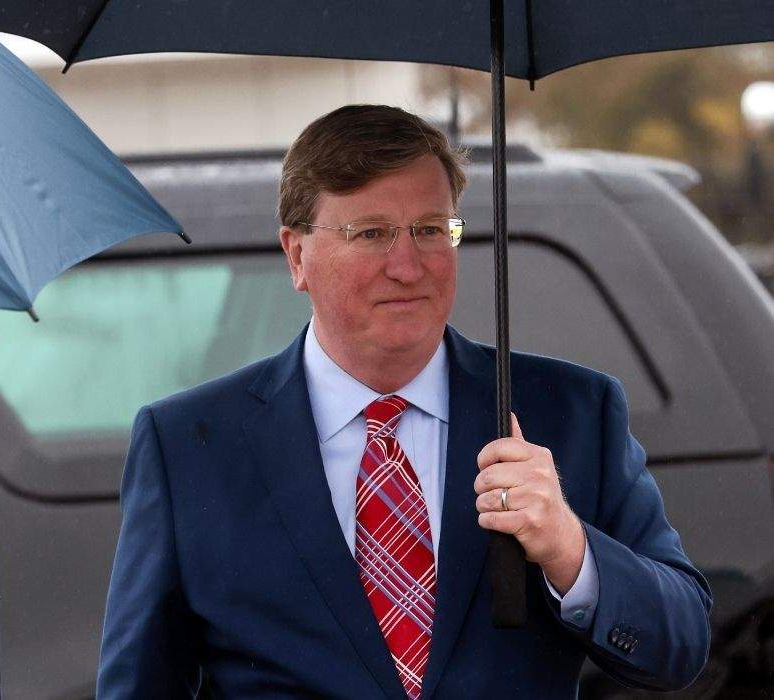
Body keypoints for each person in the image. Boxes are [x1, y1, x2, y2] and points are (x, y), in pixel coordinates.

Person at [96, 105, 711, 698]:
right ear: (296, 254)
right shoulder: (188, 444)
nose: (408, 266)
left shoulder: (572, 413)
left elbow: (679, 645)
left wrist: (570, 551)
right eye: (372, 234)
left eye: (429, 230)